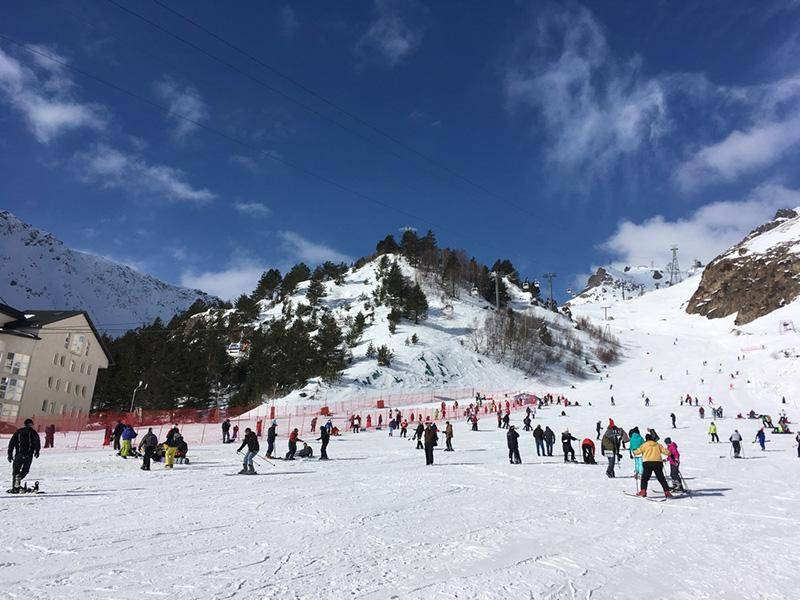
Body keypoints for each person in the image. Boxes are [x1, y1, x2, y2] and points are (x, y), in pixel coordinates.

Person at [7, 419, 40, 492]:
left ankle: (15, 488)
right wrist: (37, 451)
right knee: (25, 470)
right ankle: (19, 478)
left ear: (24, 424)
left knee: (15, 471)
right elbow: (37, 442)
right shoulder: (33, 432)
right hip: (29, 454)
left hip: (19, 454)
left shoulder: (18, 432)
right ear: (31, 424)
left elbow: (11, 444)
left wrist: (9, 454)